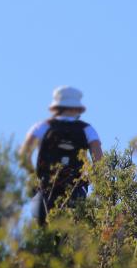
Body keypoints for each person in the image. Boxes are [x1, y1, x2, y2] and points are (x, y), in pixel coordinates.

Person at [19, 86, 103, 225]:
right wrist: (86, 180)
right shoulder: (87, 130)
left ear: (57, 106)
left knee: (43, 236)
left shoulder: (42, 127)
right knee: (72, 238)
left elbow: (23, 156)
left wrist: (34, 177)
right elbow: (99, 162)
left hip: (44, 194)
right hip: (75, 196)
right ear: (77, 108)